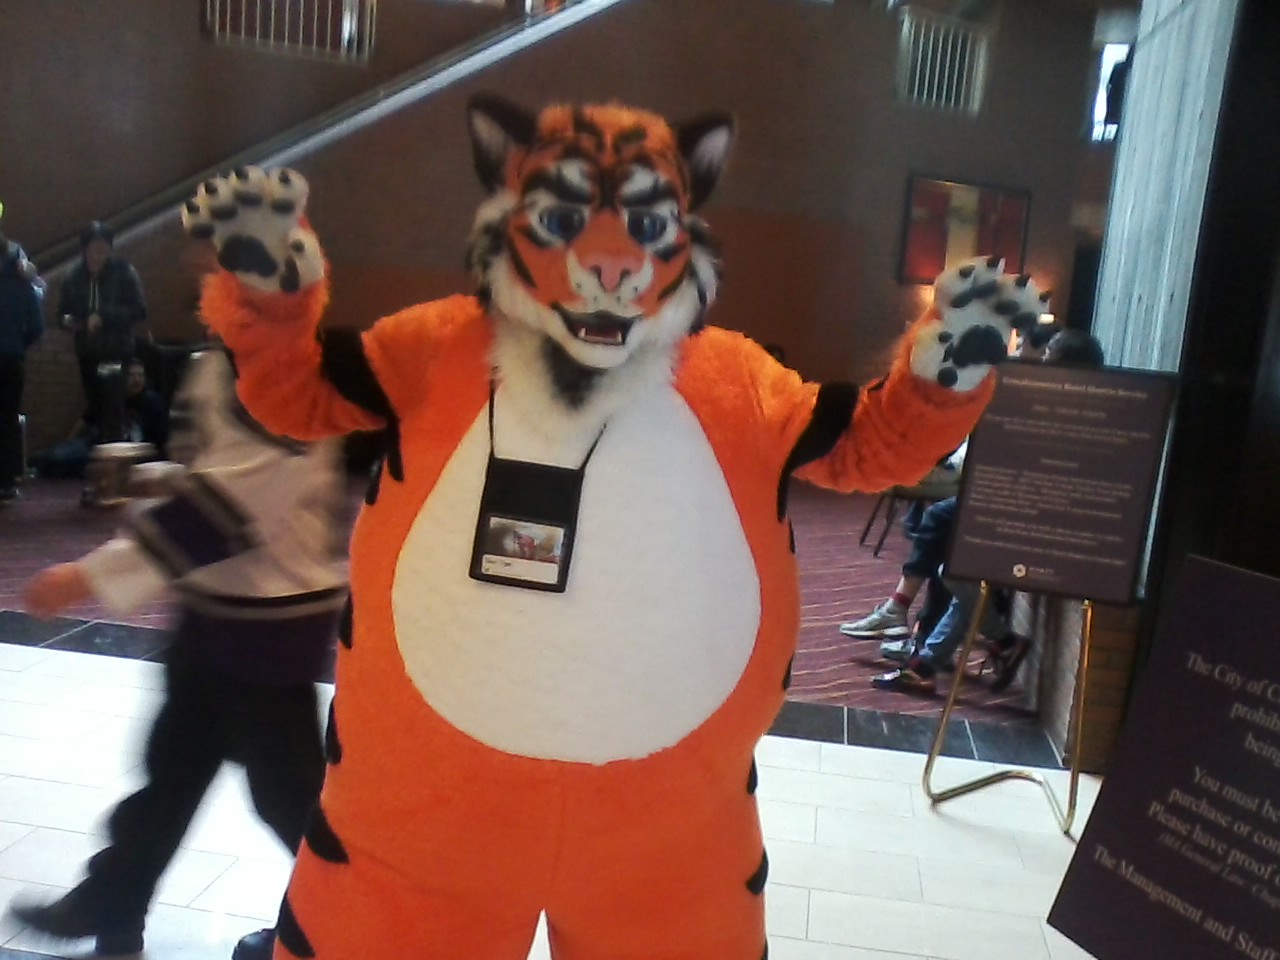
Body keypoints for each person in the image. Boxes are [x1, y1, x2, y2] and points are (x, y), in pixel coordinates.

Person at [7, 346, 349, 959]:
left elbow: (235, 501)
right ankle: (115, 904)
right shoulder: (222, 354)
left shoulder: (280, 358)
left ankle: (352, 924)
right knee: (171, 771)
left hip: (268, 620)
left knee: (287, 795)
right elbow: (221, 472)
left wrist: (88, 576)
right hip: (217, 608)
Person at [871, 331, 1107, 694]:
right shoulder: (1065, 406)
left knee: (954, 567)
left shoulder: (1071, 414)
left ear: (1067, 366)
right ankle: (927, 664)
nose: (1042, 362)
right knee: (959, 568)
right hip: (1012, 512)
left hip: (1041, 531)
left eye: (1049, 357)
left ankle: (992, 641)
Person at [57, 221, 148, 442]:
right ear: (85, 248)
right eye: (94, 245)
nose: (99, 251)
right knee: (95, 407)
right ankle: (100, 451)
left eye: (104, 245)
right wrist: (69, 321)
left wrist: (105, 317)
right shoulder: (73, 276)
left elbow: (139, 310)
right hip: (88, 352)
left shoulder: (124, 272)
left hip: (115, 351)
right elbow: (62, 313)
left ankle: (113, 452)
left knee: (112, 406)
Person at [0, 244, 44, 502]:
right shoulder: (22, 285)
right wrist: (17, 345)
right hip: (11, 360)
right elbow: (37, 326)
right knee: (7, 420)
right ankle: (5, 483)